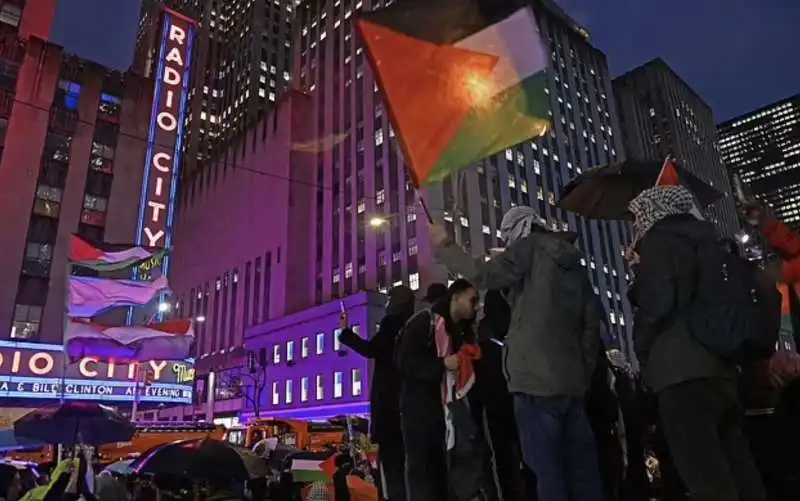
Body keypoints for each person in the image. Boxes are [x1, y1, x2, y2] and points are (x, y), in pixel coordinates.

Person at [429, 206, 603, 501]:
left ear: (519, 230)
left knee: (547, 474)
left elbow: (483, 275)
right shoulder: (572, 264)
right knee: (583, 474)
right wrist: (581, 375)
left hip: (534, 382)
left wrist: (444, 244)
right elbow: (590, 328)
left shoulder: (529, 248)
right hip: (571, 384)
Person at [626, 185, 766, 501]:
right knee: (739, 470)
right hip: (720, 369)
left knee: (706, 478)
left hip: (681, 373)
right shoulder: (707, 240)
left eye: (638, 217)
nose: (636, 225)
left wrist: (643, 349)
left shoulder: (661, 241)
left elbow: (659, 303)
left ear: (654, 212)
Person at [396, 279, 481, 501]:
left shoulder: (460, 332)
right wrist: (442, 364)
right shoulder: (424, 323)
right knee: (423, 473)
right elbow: (405, 363)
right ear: (456, 297)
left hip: (447, 414)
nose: (477, 305)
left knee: (444, 472)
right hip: (421, 413)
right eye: (472, 299)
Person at [337, 286, 415, 501]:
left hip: (389, 408)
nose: (386, 304)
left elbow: (371, 349)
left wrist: (345, 332)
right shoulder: (414, 326)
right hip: (409, 408)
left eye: (389, 299)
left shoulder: (392, 325)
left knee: (390, 469)